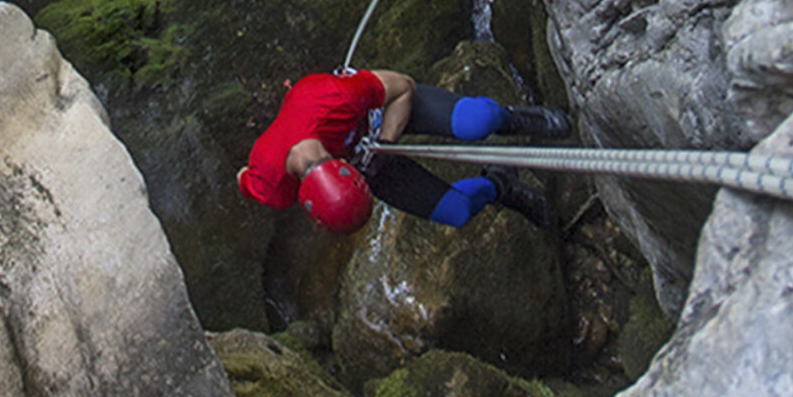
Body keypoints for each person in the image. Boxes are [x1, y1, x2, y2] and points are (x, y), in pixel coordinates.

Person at [237, 68, 570, 233]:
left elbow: (402, 86)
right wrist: (371, 170)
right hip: (370, 166)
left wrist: (385, 143)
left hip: (383, 115)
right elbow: (244, 178)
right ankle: (501, 184)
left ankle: (510, 119)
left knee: (478, 121)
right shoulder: (271, 184)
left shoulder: (331, 97)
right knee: (457, 212)